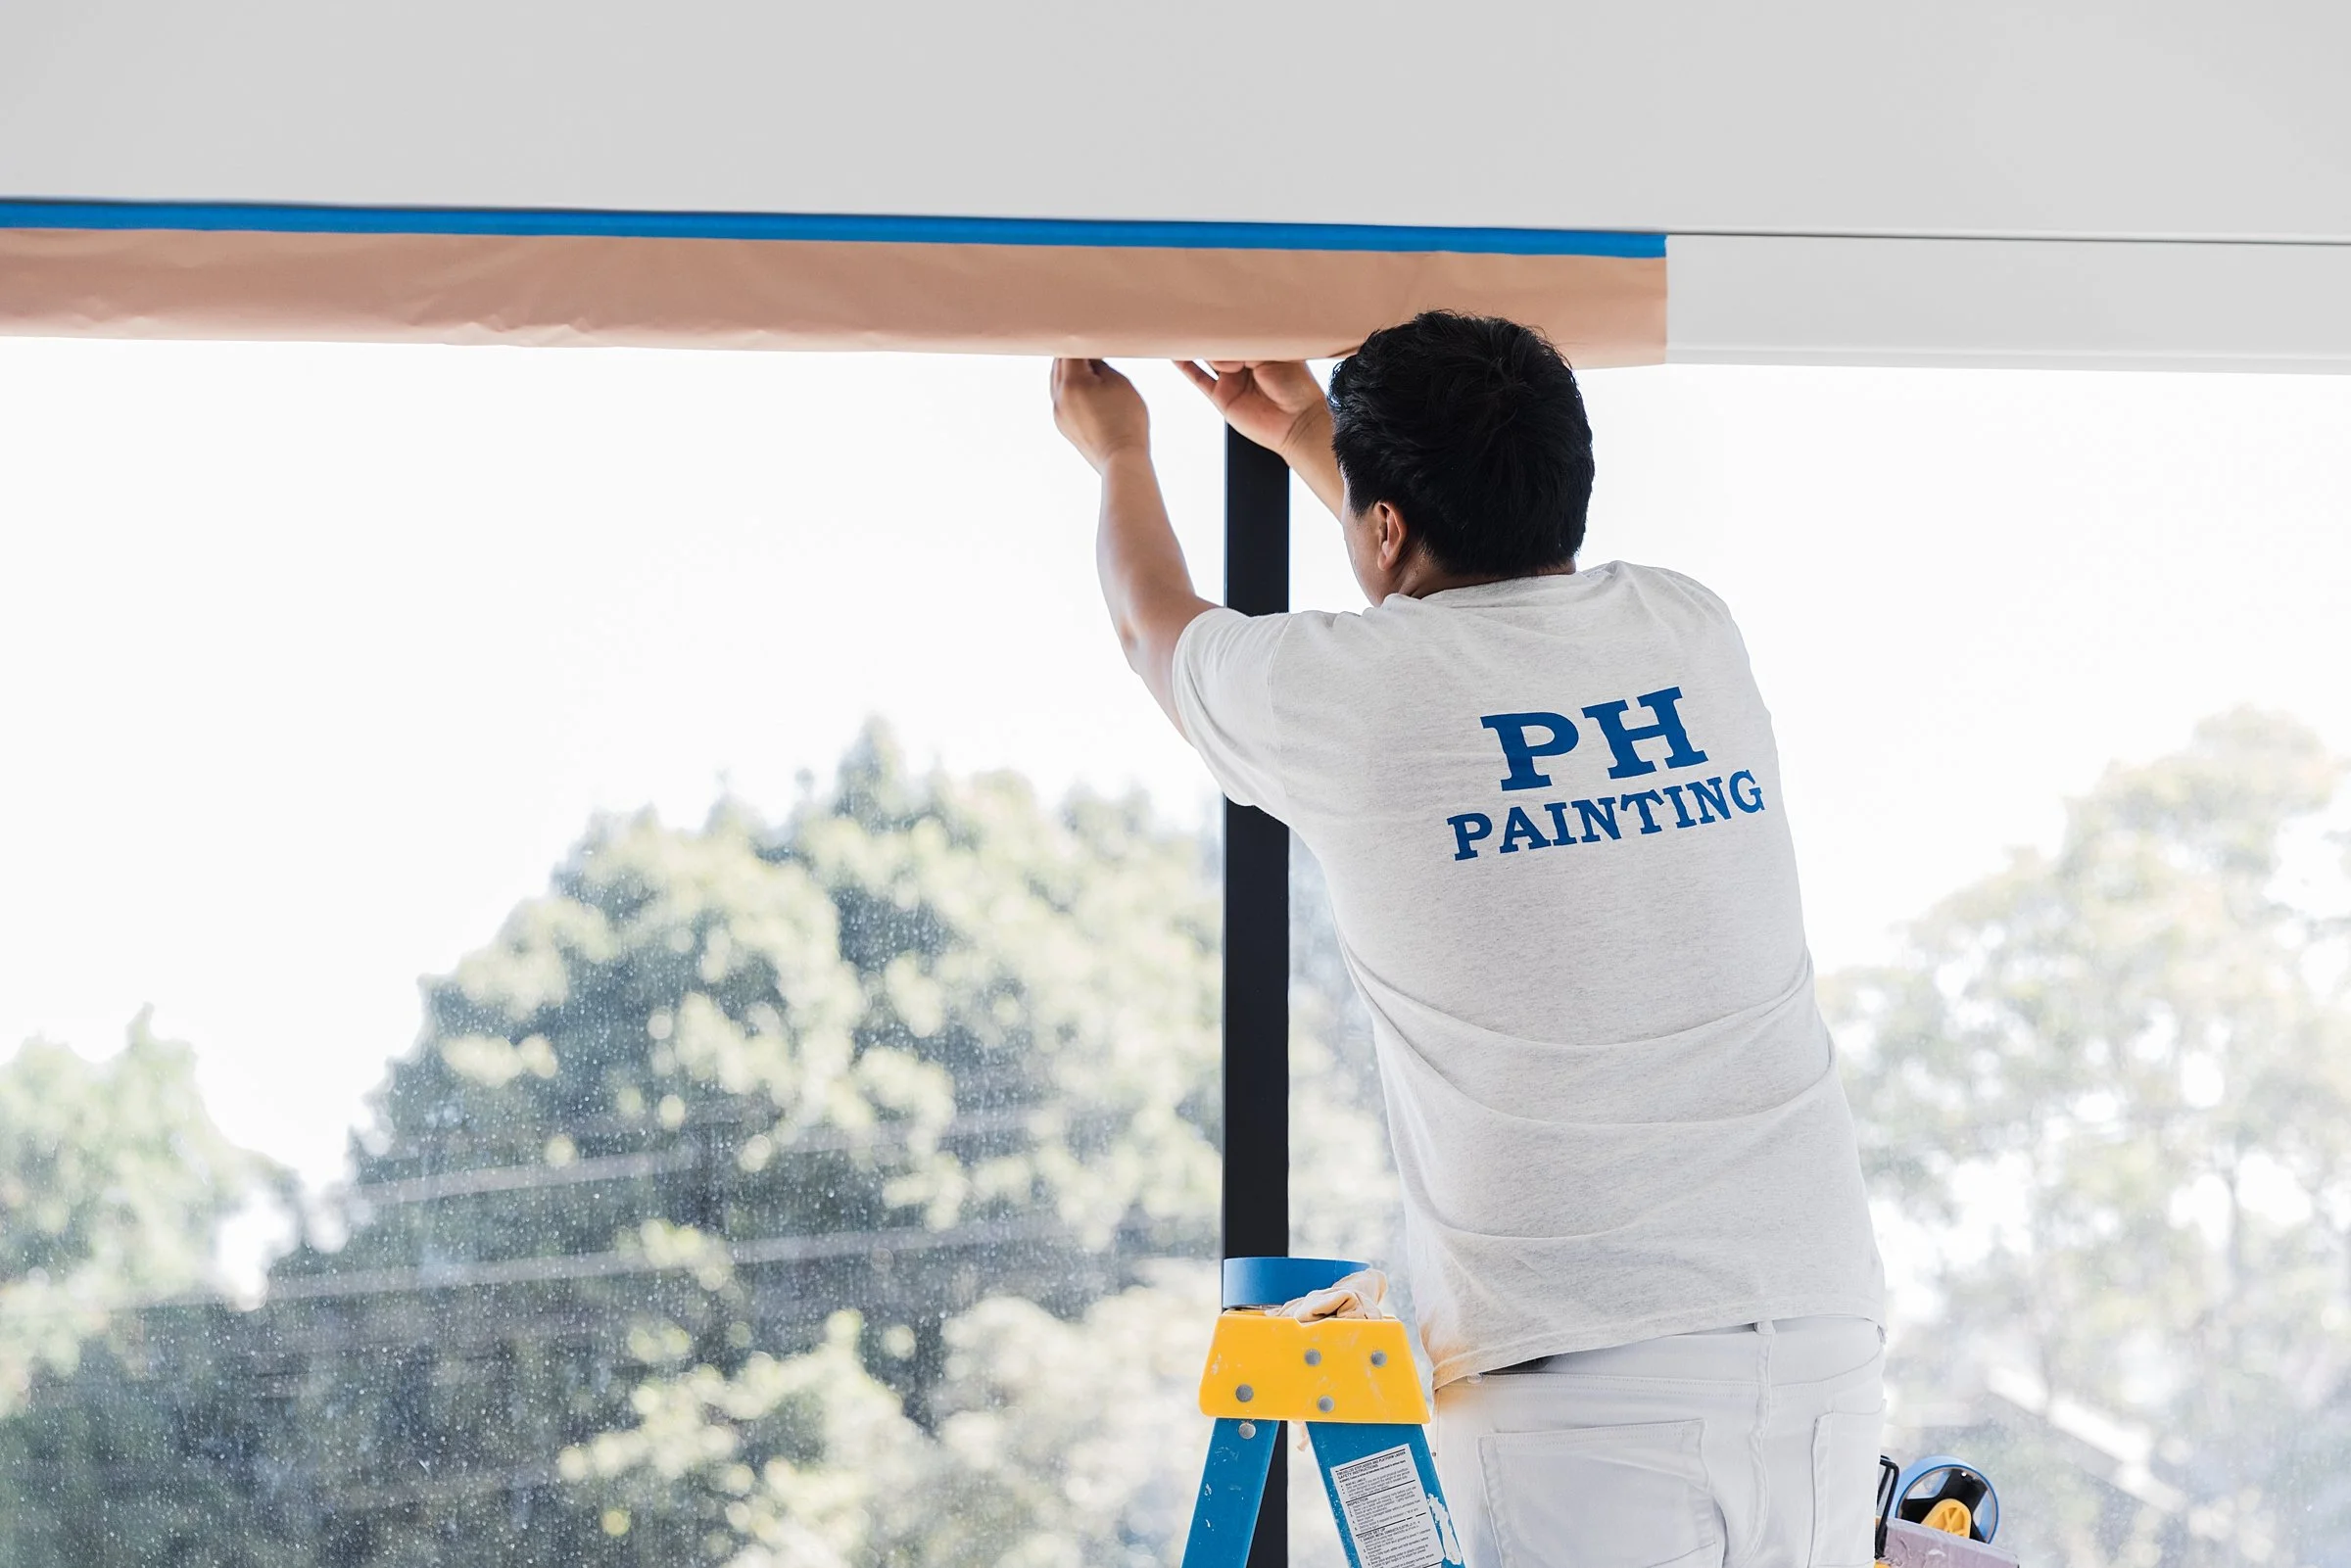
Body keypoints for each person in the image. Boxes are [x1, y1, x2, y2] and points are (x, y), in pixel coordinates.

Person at [1049, 311, 1887, 1568]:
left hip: (1584, 1384)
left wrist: (1118, 450)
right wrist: (1311, 439)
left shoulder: (1348, 694)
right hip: (1821, 1340)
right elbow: (1479, 586)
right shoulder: (1689, 631)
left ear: (1382, 528)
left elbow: (1152, 623)